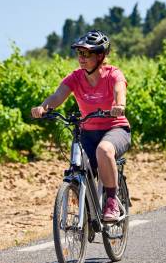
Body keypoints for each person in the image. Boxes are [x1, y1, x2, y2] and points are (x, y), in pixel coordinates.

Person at [31, 30, 131, 221]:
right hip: (88, 132)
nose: (81, 58)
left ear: (100, 55)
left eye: (86, 54)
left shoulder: (113, 74)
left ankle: (111, 201)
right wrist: (43, 107)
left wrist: (119, 105)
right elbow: (58, 96)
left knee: (104, 150)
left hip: (115, 129)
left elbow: (120, 90)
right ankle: (80, 205)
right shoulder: (76, 77)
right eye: (79, 53)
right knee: (78, 164)